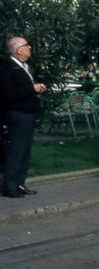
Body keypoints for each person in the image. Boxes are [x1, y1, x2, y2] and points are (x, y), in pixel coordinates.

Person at [0, 37, 45, 198]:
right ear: (18, 50)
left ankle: (20, 183)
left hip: (28, 113)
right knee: (16, 150)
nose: (30, 47)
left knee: (24, 151)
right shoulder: (7, 67)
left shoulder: (25, 66)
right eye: (26, 45)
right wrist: (32, 88)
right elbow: (9, 93)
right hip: (18, 114)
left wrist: (34, 89)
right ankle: (10, 187)